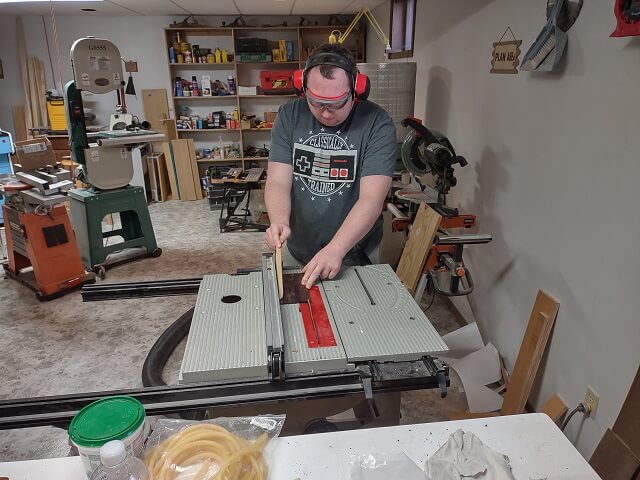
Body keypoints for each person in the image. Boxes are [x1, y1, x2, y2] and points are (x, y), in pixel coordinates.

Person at [264, 43, 396, 289]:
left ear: (356, 90)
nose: (325, 114)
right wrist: (279, 220)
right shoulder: (289, 116)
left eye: (336, 104)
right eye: (316, 103)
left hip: (355, 252)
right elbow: (278, 181)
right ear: (302, 87)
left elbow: (371, 201)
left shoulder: (378, 124)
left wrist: (336, 249)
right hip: (298, 247)